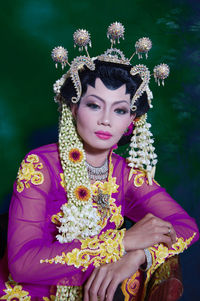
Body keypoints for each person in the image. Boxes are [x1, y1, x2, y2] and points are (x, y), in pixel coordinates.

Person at [0, 22, 199, 301]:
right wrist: (123, 241)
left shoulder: (127, 175)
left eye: (120, 110)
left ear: (132, 121)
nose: (106, 119)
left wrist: (139, 255)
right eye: (94, 105)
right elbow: (22, 265)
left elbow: (186, 226)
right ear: (73, 107)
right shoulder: (40, 165)